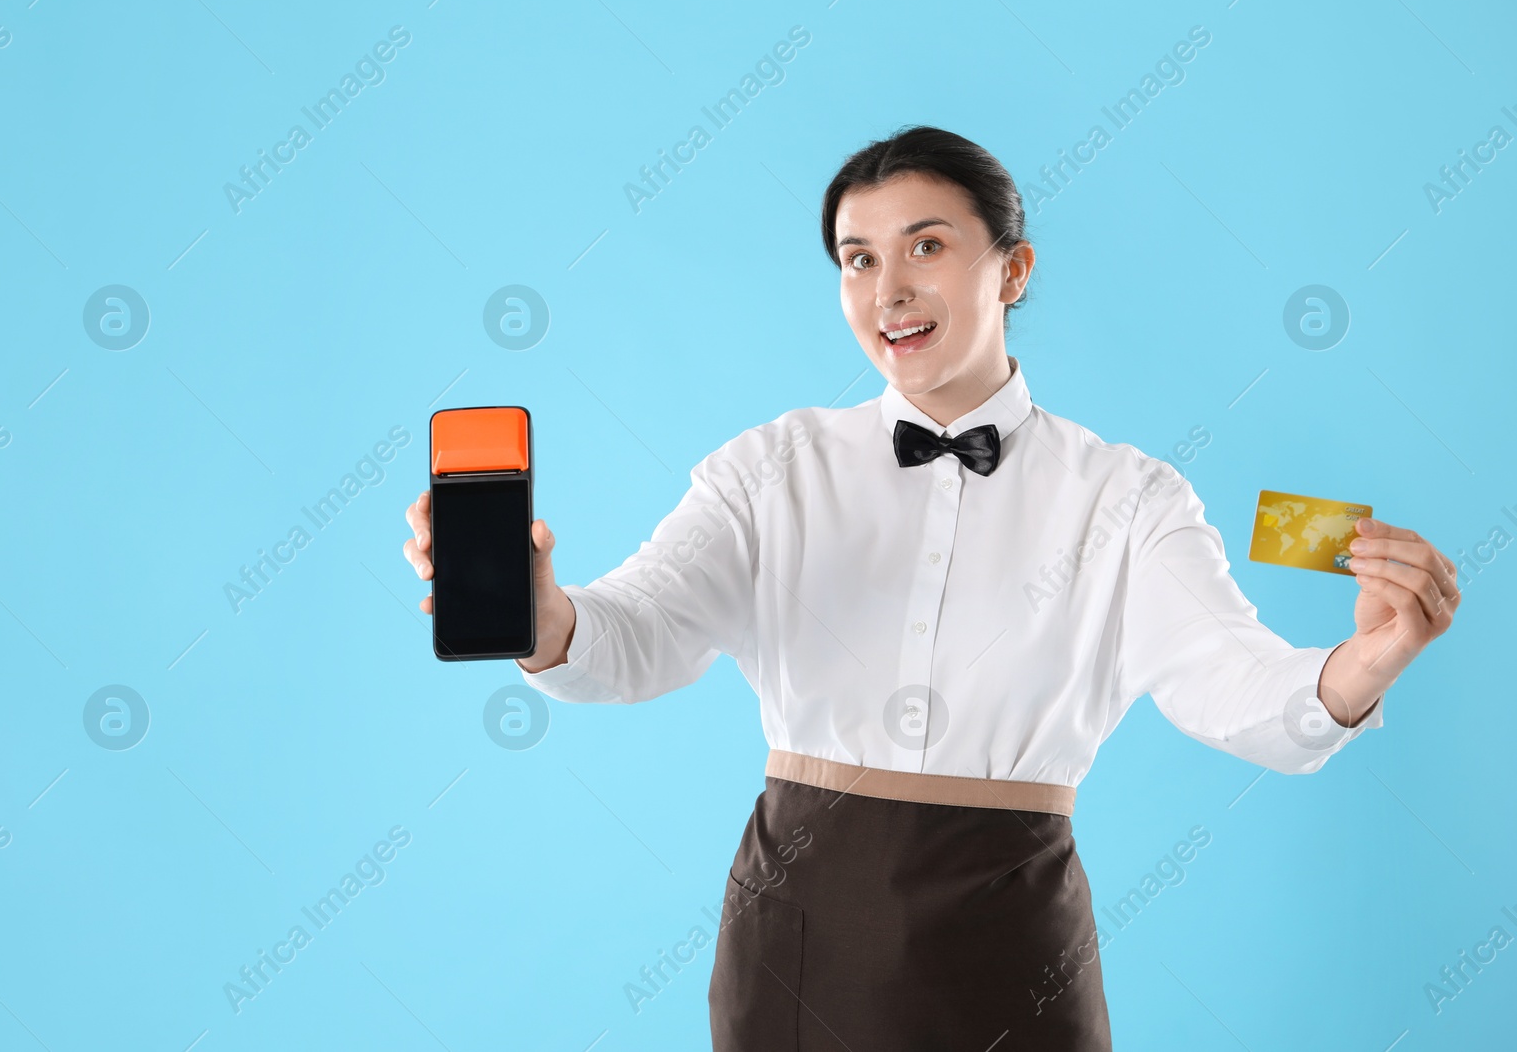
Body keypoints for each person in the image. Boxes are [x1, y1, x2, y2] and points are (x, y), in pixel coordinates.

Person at [401, 125, 1460, 1051]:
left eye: (926, 246)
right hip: (796, 933)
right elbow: (636, 635)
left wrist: (1363, 660)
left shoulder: (1127, 495)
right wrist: (542, 613)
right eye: (856, 259)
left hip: (1012, 934)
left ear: (1011, 269)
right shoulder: (771, 468)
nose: (887, 289)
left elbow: (1231, 686)